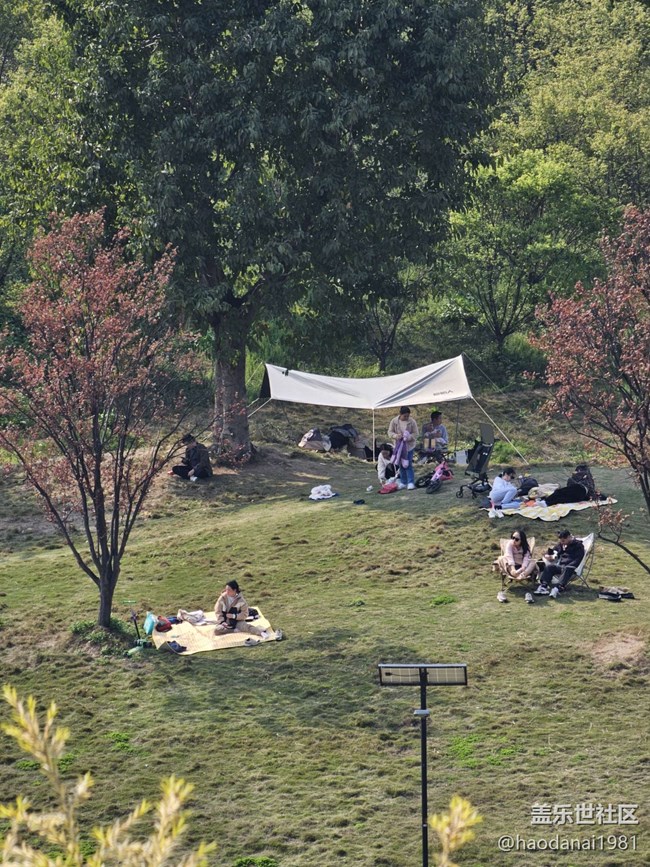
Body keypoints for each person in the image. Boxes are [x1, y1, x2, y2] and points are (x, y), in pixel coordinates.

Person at [214, 580, 281, 640]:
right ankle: (234, 630)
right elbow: (218, 610)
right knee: (217, 630)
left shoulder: (241, 600)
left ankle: (262, 633)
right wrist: (222, 621)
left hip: (237, 621)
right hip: (225, 621)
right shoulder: (222, 598)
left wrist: (234, 616)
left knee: (247, 627)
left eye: (229, 590)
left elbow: (245, 614)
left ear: (234, 590)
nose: (227, 592)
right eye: (226, 590)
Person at [534, 529, 585, 597]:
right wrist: (548, 556)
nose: (561, 542)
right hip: (561, 566)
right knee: (549, 567)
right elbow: (551, 551)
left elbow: (578, 559)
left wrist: (570, 566)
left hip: (571, 568)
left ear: (569, 537)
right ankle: (543, 586)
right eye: (560, 540)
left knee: (567, 568)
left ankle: (558, 587)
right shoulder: (561, 544)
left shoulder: (578, 545)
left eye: (563, 540)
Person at [388, 406, 419, 490]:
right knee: (401, 464)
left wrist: (409, 437)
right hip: (398, 447)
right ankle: (403, 482)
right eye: (404, 416)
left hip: (409, 447)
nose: (406, 417)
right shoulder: (394, 421)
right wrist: (396, 436)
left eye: (408, 416)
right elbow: (390, 432)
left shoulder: (412, 422)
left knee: (408, 464)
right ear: (400, 414)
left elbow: (416, 433)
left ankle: (411, 482)